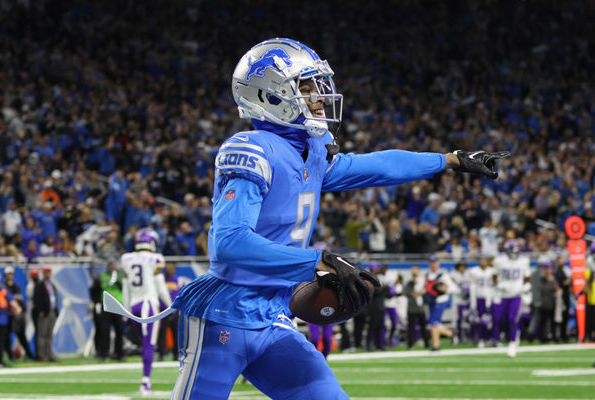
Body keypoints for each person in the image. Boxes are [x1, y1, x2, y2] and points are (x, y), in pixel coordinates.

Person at [169, 38, 507, 399]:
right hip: (223, 314)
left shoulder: (309, 153)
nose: (319, 95)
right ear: (269, 96)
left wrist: (449, 160)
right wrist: (316, 261)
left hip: (272, 315)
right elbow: (229, 243)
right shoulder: (252, 149)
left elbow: (378, 165)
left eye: (318, 84)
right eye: (306, 86)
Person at [121, 228, 172, 394]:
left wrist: (125, 310)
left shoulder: (127, 259)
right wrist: (171, 305)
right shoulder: (154, 258)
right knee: (149, 344)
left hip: (133, 306)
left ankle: (145, 382)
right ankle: (145, 383)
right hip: (148, 305)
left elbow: (126, 287)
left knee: (144, 344)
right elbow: (160, 287)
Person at [492, 240, 531, 357]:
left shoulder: (523, 261)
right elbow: (494, 275)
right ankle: (510, 336)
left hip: (516, 294)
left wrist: (526, 287)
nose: (514, 254)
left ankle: (512, 342)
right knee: (501, 319)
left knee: (512, 319)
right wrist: (498, 286)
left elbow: (527, 277)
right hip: (503, 294)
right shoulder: (500, 261)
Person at [94, 262, 125, 361]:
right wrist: (97, 302)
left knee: (119, 330)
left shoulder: (120, 277)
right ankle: (103, 353)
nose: (113, 267)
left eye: (114, 265)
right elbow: (94, 289)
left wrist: (119, 284)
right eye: (110, 265)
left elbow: (125, 289)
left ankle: (118, 353)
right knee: (104, 331)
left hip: (118, 306)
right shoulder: (101, 276)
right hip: (106, 306)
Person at [424, 255, 456, 351]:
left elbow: (453, 287)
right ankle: (440, 342)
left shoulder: (443, 275)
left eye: (435, 262)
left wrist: (444, 289)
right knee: (434, 324)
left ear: (438, 263)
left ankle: (438, 343)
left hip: (441, 301)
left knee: (434, 323)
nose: (433, 264)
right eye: (431, 263)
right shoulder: (427, 275)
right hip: (431, 301)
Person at [3, 266, 35, 360]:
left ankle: (29, 354)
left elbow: (20, 301)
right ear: (5, 275)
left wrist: (23, 311)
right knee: (6, 336)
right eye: (9, 273)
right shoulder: (3, 286)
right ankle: (10, 355)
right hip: (8, 314)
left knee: (21, 335)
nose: (10, 275)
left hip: (18, 314)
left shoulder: (16, 286)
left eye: (12, 273)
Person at [33, 266, 59, 362]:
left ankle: (49, 354)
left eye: (49, 272)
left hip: (52, 311)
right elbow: (36, 300)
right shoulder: (39, 285)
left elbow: (54, 299)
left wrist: (56, 311)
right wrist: (41, 311)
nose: (48, 274)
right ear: (43, 273)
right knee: (42, 335)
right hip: (44, 313)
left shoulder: (52, 285)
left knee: (49, 335)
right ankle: (42, 355)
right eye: (46, 272)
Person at [468, 254, 494, 348]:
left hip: (490, 299)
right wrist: (473, 303)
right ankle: (480, 339)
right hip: (479, 299)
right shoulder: (474, 271)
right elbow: (472, 287)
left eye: (484, 260)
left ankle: (489, 338)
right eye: (481, 260)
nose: (482, 262)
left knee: (490, 321)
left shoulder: (492, 271)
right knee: (479, 321)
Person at [0, 269, 19, 368]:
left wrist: (17, 307)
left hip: (3, 318)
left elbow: (10, 299)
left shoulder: (2, 288)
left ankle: (0, 361)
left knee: (2, 341)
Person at [405, 265, 429, 349]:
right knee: (411, 327)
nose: (414, 272)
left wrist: (417, 293)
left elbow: (426, 291)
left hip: (420, 307)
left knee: (423, 327)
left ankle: (426, 343)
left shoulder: (423, 281)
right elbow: (407, 293)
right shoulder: (409, 282)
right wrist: (416, 293)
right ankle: (410, 344)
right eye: (413, 270)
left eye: (416, 270)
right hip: (411, 308)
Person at [450, 262, 470, 344]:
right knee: (458, 319)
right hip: (458, 300)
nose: (462, 268)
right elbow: (452, 286)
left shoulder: (468, 274)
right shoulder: (453, 275)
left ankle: (467, 336)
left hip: (467, 300)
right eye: (460, 267)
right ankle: (457, 336)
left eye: (463, 267)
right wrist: (461, 291)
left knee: (468, 319)